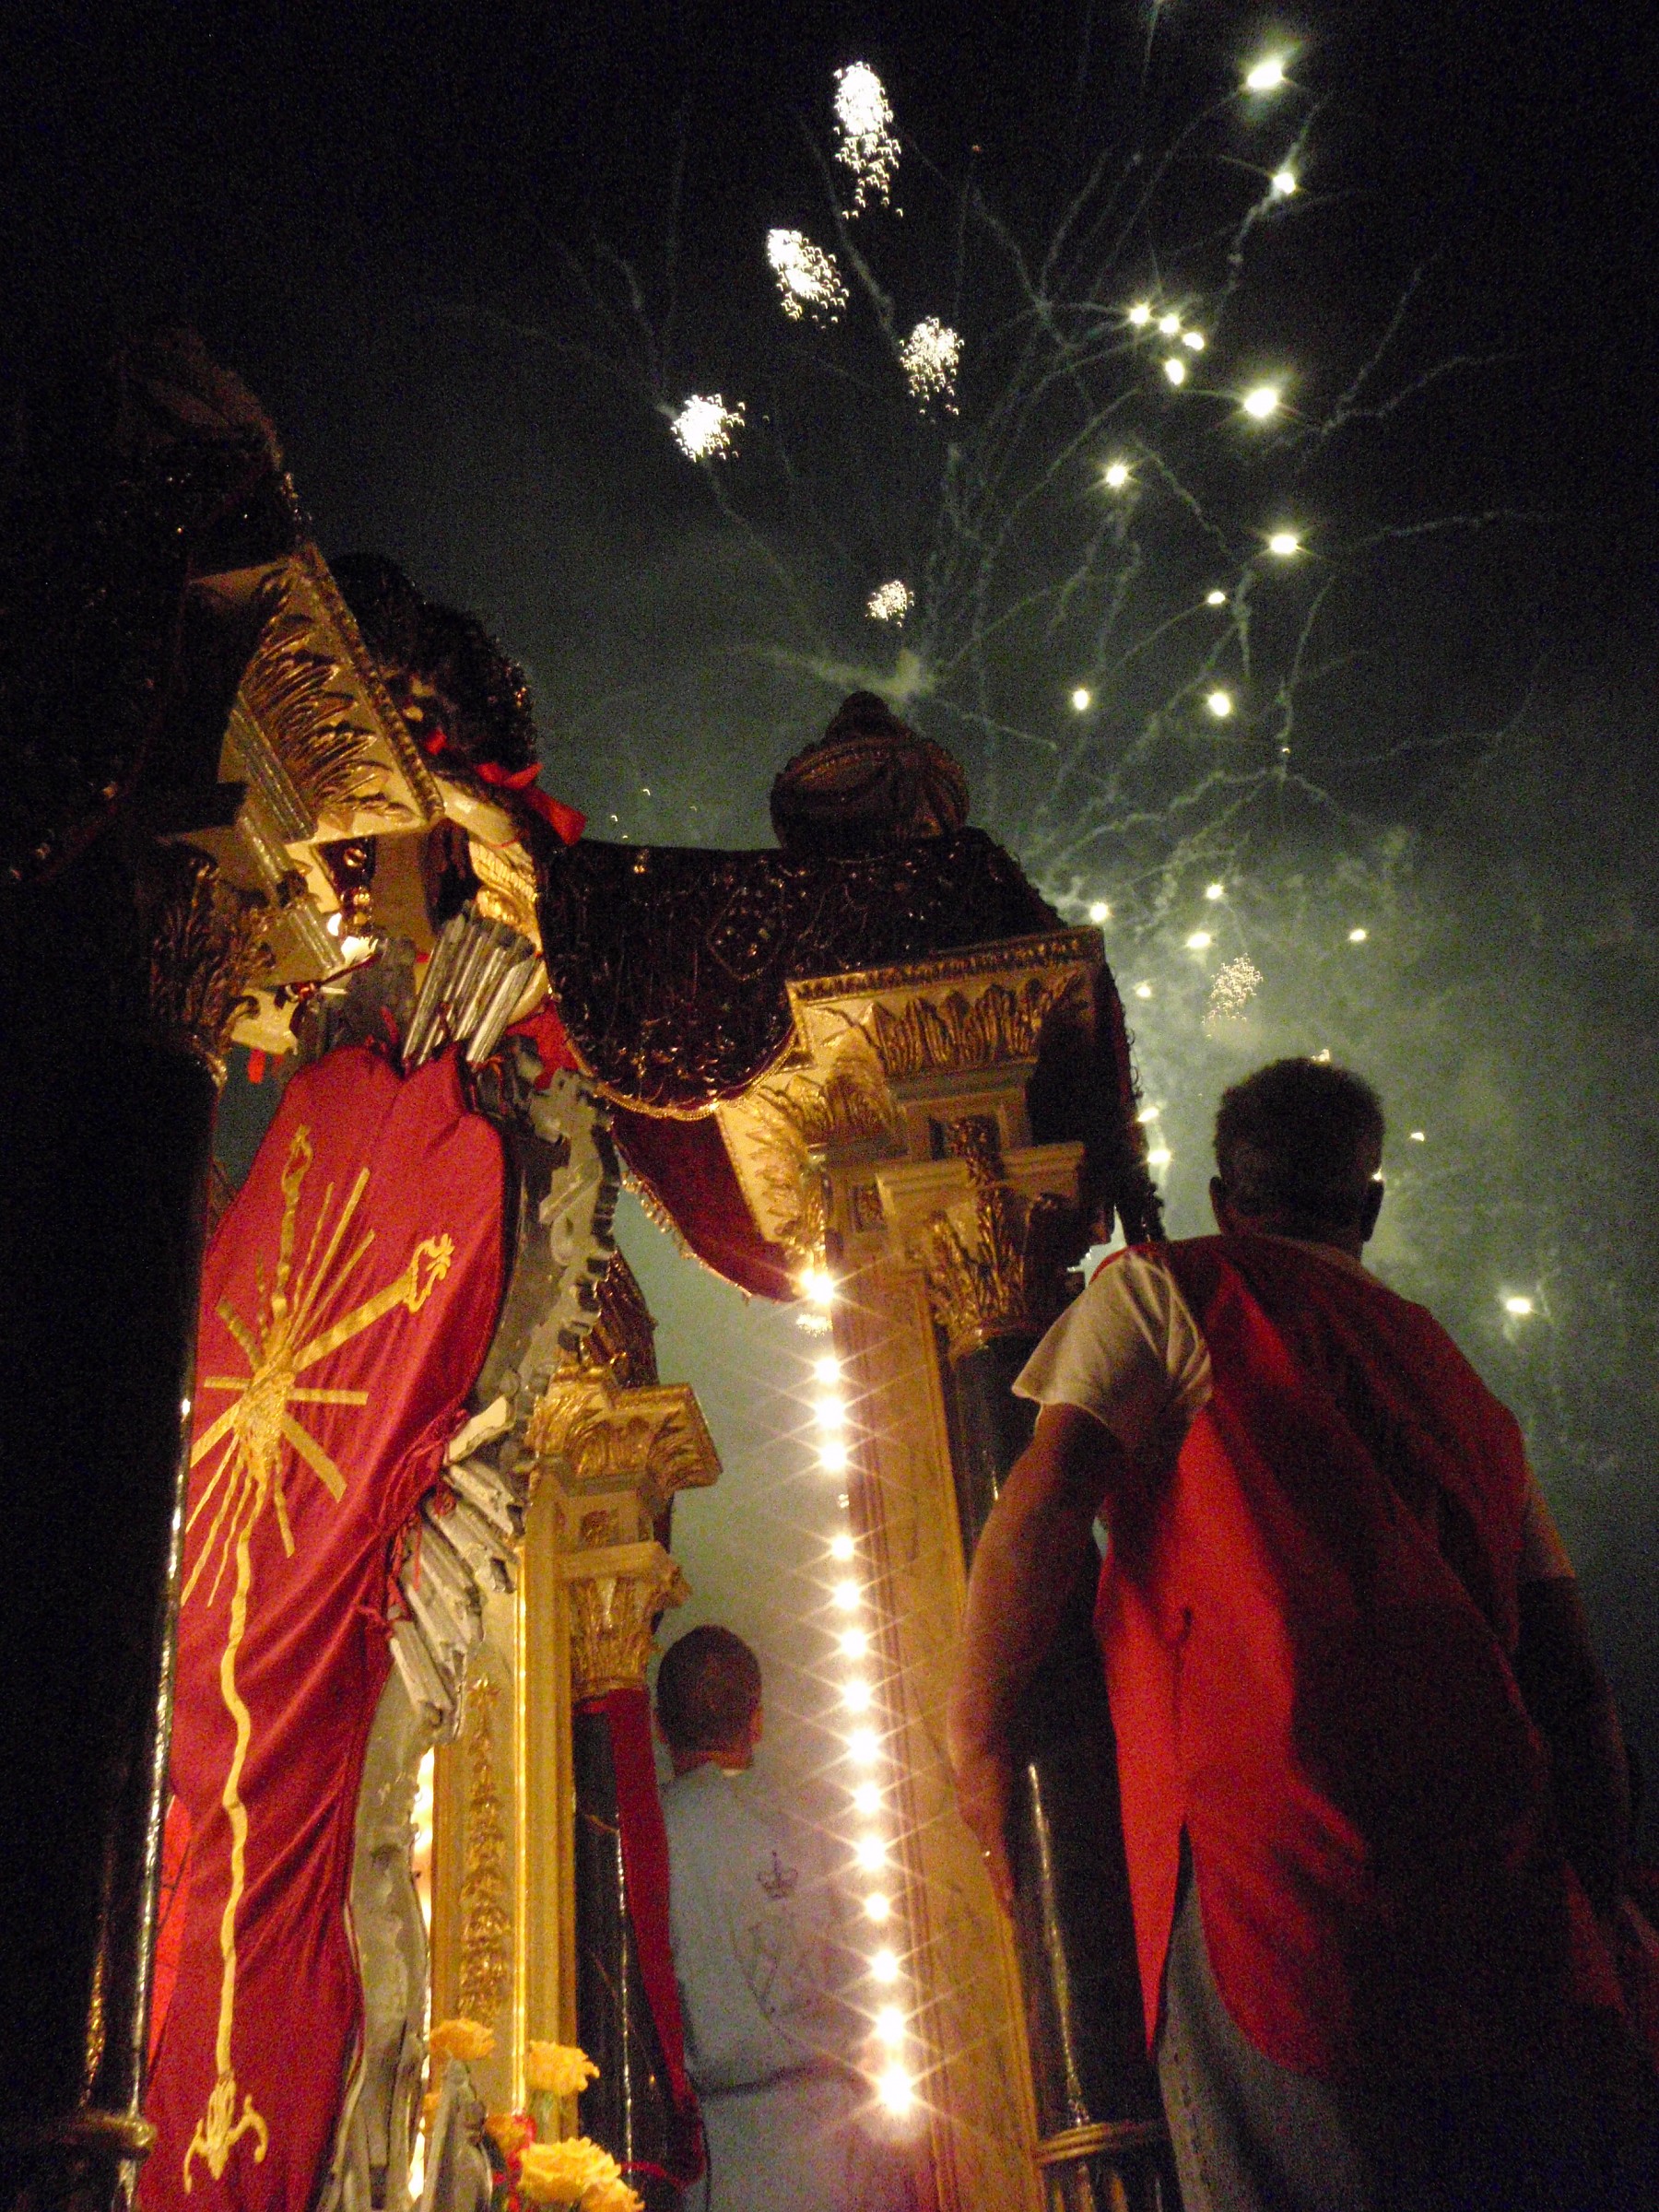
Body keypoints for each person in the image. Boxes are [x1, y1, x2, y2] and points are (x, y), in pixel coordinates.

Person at [947, 1056, 1657, 2211]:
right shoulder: (1467, 1387)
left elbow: (1040, 1508)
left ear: (1228, 1196)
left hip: (1273, 1883)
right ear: (1369, 1209)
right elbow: (1571, 1677)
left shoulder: (1164, 1289)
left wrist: (973, 1734)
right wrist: (1597, 1900)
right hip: (1496, 1902)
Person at [656, 1626, 905, 2212]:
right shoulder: (829, 1818)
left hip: (720, 2159)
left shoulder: (644, 1837)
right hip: (840, 2147)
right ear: (757, 1721)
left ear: (660, 1727)